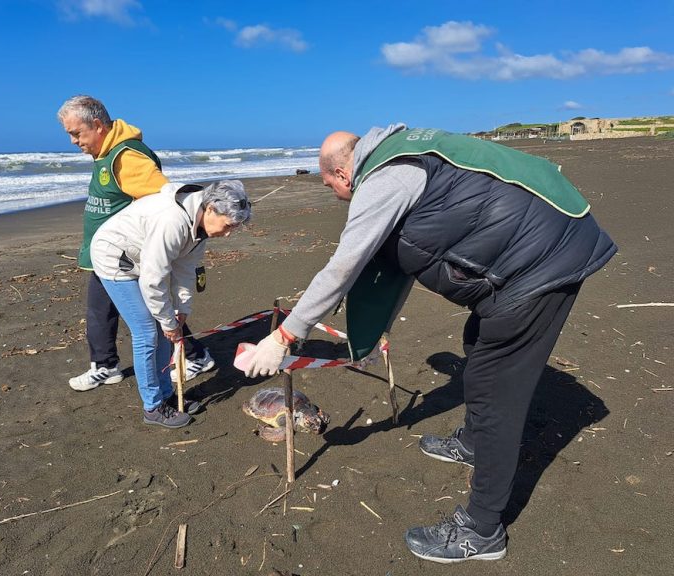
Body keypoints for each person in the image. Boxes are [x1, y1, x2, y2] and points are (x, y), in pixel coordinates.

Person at [240, 125, 616, 562]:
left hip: (543, 261)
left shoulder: (381, 181)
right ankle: (473, 444)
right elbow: (399, 264)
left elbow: (342, 268)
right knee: (477, 341)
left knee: (497, 392)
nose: (334, 194)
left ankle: (482, 531)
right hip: (535, 246)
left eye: (329, 186)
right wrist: (380, 322)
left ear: (343, 174)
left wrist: (285, 336)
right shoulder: (400, 158)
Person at [57, 95, 215, 392]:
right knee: (100, 311)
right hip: (106, 253)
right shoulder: (105, 152)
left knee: (154, 312)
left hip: (128, 255)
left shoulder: (127, 157)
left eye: (76, 133)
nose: (73, 141)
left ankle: (194, 355)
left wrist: (161, 247)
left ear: (97, 125)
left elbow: (165, 198)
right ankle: (105, 365)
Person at [91, 180, 251, 428]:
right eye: (228, 225)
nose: (228, 233)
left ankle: (167, 395)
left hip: (144, 259)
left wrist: (181, 311)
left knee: (167, 328)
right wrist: (167, 322)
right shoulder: (172, 222)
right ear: (210, 209)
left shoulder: (199, 227)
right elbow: (153, 280)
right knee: (146, 331)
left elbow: (185, 269)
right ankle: (153, 407)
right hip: (115, 258)